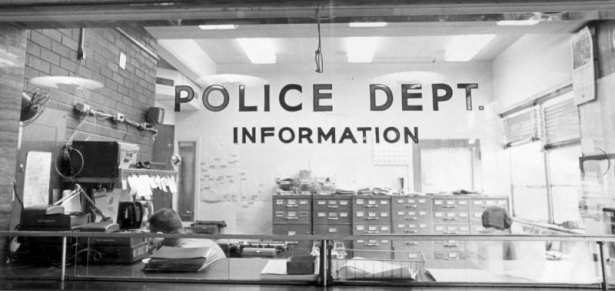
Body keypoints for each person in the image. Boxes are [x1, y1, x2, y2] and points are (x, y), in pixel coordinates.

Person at [147, 208, 226, 259]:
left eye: (152, 234)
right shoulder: (207, 242)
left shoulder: (181, 253)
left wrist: (155, 251)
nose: (151, 238)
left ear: (161, 235)